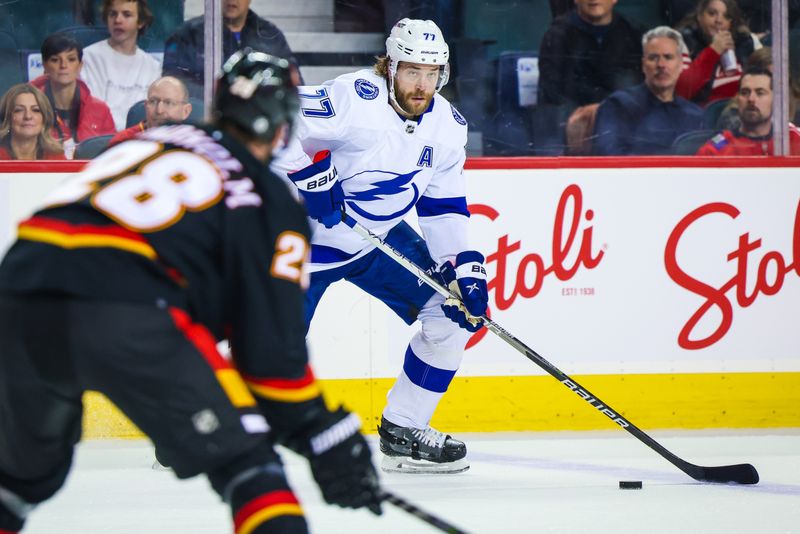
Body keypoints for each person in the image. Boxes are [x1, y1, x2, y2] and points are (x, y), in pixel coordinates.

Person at [0, 51, 382, 534]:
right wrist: (322, 432)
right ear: (284, 123)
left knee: (18, 481)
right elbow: (270, 357)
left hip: (19, 287)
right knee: (251, 468)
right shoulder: (270, 198)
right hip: (128, 304)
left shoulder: (151, 141)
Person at [273, 18, 488, 474]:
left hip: (376, 241)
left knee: (451, 315)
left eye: (432, 74)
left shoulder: (447, 128)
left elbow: (444, 206)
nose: (422, 84)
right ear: (389, 66)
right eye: (412, 71)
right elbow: (270, 114)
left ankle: (403, 429)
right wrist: (304, 172)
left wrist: (462, 266)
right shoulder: (355, 98)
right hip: (301, 242)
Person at [536, 0, 644, 151]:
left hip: (621, 124)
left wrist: (604, 110)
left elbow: (639, 90)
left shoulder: (633, 34)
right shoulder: (557, 36)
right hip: (571, 126)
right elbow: (554, 92)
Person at [593, 26, 705, 155]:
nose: (661, 65)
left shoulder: (695, 115)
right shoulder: (618, 105)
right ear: (643, 65)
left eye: (668, 57)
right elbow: (607, 158)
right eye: (653, 58)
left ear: (680, 65)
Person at [162, 0, 299, 99]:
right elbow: (174, 83)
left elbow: (292, 81)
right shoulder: (187, 34)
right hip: (203, 118)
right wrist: (224, 95)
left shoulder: (270, 35)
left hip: (258, 119)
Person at [29, 33, 116, 159]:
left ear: (80, 65)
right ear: (45, 65)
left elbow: (112, 156)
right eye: (55, 60)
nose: (63, 66)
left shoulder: (101, 110)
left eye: (71, 59)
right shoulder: (28, 109)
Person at [80, 0, 163, 131]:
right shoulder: (89, 58)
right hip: (102, 141)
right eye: (113, 14)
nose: (118, 20)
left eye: (126, 14)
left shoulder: (152, 67)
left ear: (140, 22)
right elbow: (92, 113)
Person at [675, 0, 762, 107]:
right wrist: (713, 51)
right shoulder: (683, 41)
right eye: (712, 13)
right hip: (703, 115)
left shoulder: (746, 41)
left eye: (726, 16)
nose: (719, 20)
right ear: (699, 16)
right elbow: (682, 92)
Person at [697, 68, 800, 155]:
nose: (751, 99)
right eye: (745, 92)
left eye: (760, 93)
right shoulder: (716, 150)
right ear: (737, 99)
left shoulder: (794, 140)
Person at [109, 75, 192, 145]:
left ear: (186, 111)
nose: (159, 110)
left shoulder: (197, 144)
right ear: (146, 106)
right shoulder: (123, 142)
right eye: (153, 101)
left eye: (168, 103)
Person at [0, 84, 66, 160]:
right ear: (7, 117)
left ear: (44, 118)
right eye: (19, 110)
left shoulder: (56, 157)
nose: (28, 116)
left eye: (36, 110)